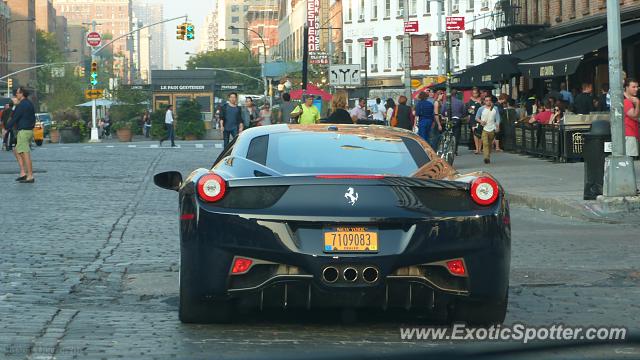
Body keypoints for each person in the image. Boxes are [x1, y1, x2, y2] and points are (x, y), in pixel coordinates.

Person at [6, 87, 36, 183]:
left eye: (17, 93)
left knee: (25, 153)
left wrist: (6, 128)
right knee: (16, 150)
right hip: (28, 131)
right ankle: (23, 173)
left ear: (22, 94)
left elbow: (14, 117)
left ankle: (30, 176)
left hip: (24, 131)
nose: (16, 95)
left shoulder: (22, 105)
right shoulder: (29, 103)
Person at [476, 95, 501, 164]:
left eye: (489, 100)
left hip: (492, 128)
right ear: (484, 101)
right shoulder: (481, 109)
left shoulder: (495, 108)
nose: (488, 102)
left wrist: (497, 126)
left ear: (491, 101)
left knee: (489, 144)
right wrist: (481, 121)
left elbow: (498, 118)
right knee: (485, 143)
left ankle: (488, 155)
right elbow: (476, 117)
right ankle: (486, 157)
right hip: (484, 128)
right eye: (486, 101)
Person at [445, 89, 466, 155]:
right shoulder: (460, 102)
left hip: (449, 120)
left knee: (448, 134)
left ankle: (448, 149)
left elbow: (442, 111)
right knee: (456, 135)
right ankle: (455, 150)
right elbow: (464, 112)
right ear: (456, 94)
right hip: (457, 120)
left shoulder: (446, 102)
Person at [623, 78, 640, 158]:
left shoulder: (629, 100)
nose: (636, 89)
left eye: (637, 87)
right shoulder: (626, 101)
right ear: (627, 87)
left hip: (632, 132)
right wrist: (637, 103)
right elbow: (634, 115)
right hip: (629, 133)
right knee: (630, 158)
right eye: (633, 87)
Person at [466, 87, 483, 154]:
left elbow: (484, 107)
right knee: (475, 133)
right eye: (473, 93)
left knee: (480, 133)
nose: (474, 94)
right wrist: (470, 110)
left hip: (481, 118)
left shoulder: (481, 99)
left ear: (478, 93)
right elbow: (469, 110)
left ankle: (480, 148)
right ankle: (477, 148)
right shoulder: (470, 101)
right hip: (473, 117)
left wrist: (479, 102)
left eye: (475, 93)